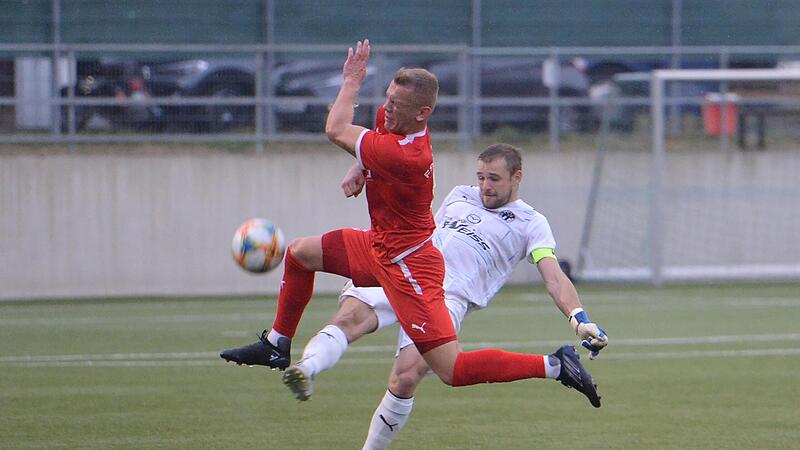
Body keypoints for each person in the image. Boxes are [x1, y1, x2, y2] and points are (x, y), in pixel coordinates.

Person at [220, 39, 606, 404]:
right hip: (380, 246)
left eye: (396, 103)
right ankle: (277, 345)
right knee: (300, 253)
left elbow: (336, 129)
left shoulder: (409, 155)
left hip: (412, 268)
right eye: (387, 97)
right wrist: (360, 166)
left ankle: (555, 365)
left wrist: (352, 79)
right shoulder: (405, 139)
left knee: (450, 370)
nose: (386, 107)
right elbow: (372, 140)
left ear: (422, 113)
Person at [280, 144, 607, 448]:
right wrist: (362, 164)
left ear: (517, 177)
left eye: (494, 178)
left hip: (446, 298)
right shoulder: (460, 195)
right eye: (480, 177)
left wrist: (579, 319)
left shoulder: (532, 223)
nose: (485, 186)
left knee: (406, 376)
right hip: (405, 268)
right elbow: (402, 166)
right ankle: (306, 369)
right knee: (351, 318)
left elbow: (553, 277)